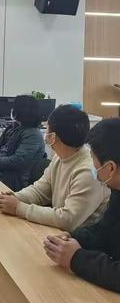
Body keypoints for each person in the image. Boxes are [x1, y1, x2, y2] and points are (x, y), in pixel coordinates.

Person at [0, 105, 109, 231]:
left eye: (47, 128)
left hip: (81, 242)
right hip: (60, 234)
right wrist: (16, 197)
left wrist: (19, 208)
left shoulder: (88, 171)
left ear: (53, 137)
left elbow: (68, 219)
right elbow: (41, 190)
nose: (45, 132)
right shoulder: (60, 157)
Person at [44, 118, 120, 293]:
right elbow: (105, 229)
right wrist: (73, 238)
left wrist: (76, 258)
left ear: (110, 168)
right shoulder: (116, 188)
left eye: (93, 158)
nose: (91, 164)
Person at [0, 95, 45, 191]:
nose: (12, 110)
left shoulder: (33, 134)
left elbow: (18, 160)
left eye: (14, 107)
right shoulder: (13, 127)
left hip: (13, 178)